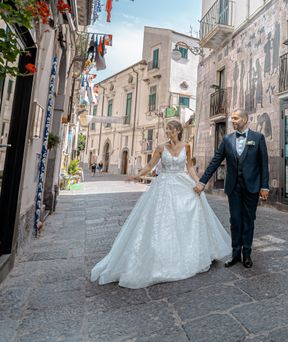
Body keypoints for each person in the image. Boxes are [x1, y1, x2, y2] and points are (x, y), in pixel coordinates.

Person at [90, 120, 231, 289]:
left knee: (186, 215)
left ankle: (186, 253)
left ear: (178, 131)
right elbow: (150, 166)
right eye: (167, 130)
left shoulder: (186, 146)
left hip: (181, 183)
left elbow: (190, 168)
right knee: (161, 220)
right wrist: (136, 176)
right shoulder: (160, 148)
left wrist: (198, 183)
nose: (168, 133)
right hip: (163, 186)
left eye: (171, 130)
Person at [194, 109, 269, 269]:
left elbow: (264, 164)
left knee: (249, 220)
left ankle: (247, 254)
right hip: (233, 187)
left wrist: (265, 186)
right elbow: (215, 161)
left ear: (245, 119)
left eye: (236, 118)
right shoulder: (227, 140)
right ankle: (235, 254)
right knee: (235, 220)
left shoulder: (258, 138)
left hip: (252, 187)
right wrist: (202, 182)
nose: (232, 121)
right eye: (232, 119)